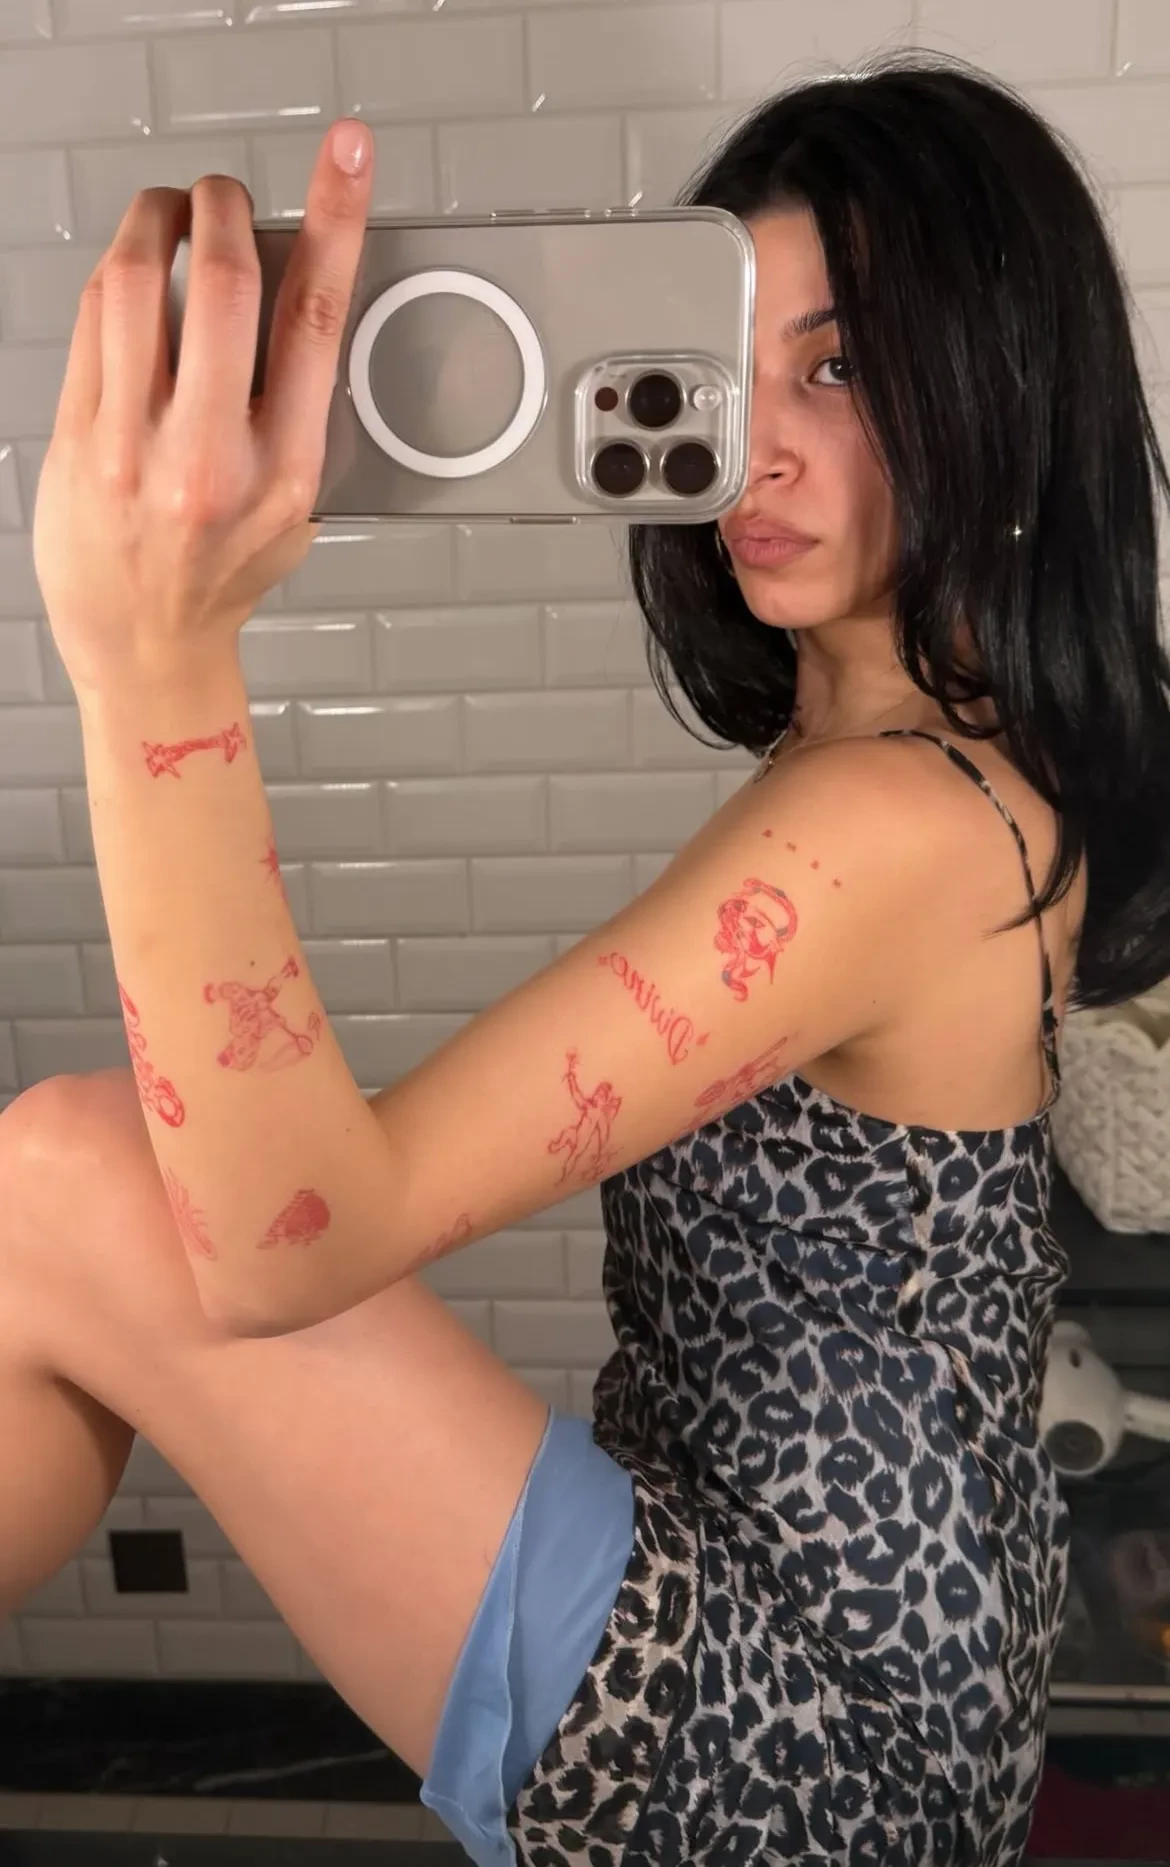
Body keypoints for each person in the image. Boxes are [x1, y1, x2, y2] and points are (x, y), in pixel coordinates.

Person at [4, 46, 1170, 1867]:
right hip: (900, 1661)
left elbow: (289, 1240)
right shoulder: (938, 753)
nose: (752, 442)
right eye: (733, 353)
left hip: (816, 1730)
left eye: (839, 365)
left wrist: (148, 656)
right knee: (58, 1212)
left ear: (1000, 383)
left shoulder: (901, 821)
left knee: (70, 1183)